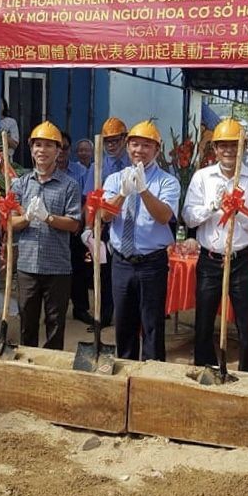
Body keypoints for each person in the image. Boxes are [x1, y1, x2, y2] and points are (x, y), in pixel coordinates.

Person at [183, 117, 248, 372]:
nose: (229, 150)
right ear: (215, 148)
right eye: (223, 145)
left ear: (244, 146)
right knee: (204, 321)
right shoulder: (202, 178)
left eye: (235, 145)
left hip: (242, 260)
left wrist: (238, 211)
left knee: (247, 322)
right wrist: (213, 206)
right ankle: (205, 370)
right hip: (210, 259)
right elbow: (189, 216)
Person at [101, 120, 180, 361]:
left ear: (157, 150)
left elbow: (164, 216)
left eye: (147, 145)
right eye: (135, 144)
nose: (140, 150)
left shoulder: (167, 181)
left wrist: (144, 190)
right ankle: (126, 368)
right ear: (127, 147)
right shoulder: (114, 179)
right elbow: (104, 216)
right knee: (124, 322)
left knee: (152, 324)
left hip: (151, 264)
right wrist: (122, 194)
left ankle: (152, 372)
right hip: (121, 262)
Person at [10, 121, 82, 350]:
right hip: (27, 266)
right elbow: (10, 223)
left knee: (55, 325)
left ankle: (53, 365)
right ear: (31, 149)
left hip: (57, 267)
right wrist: (27, 217)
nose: (42, 150)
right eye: (38, 145)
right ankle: (29, 364)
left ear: (58, 151)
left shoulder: (69, 185)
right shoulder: (20, 184)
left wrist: (48, 217)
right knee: (27, 323)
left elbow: (74, 223)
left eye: (49, 145)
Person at [79, 117, 131, 327]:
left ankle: (127, 315)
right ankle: (104, 315)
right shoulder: (97, 167)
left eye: (115, 140)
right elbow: (89, 199)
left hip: (129, 224)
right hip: (104, 225)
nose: (111, 145)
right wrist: (88, 227)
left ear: (124, 139)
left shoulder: (134, 164)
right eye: (107, 141)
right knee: (103, 271)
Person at [59, 131, 93, 325]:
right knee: (56, 273)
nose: (61, 152)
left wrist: (79, 220)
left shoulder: (80, 171)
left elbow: (88, 198)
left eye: (64, 148)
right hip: (53, 228)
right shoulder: (45, 171)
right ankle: (57, 309)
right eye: (58, 147)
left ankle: (81, 309)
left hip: (75, 226)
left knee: (78, 269)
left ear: (69, 149)